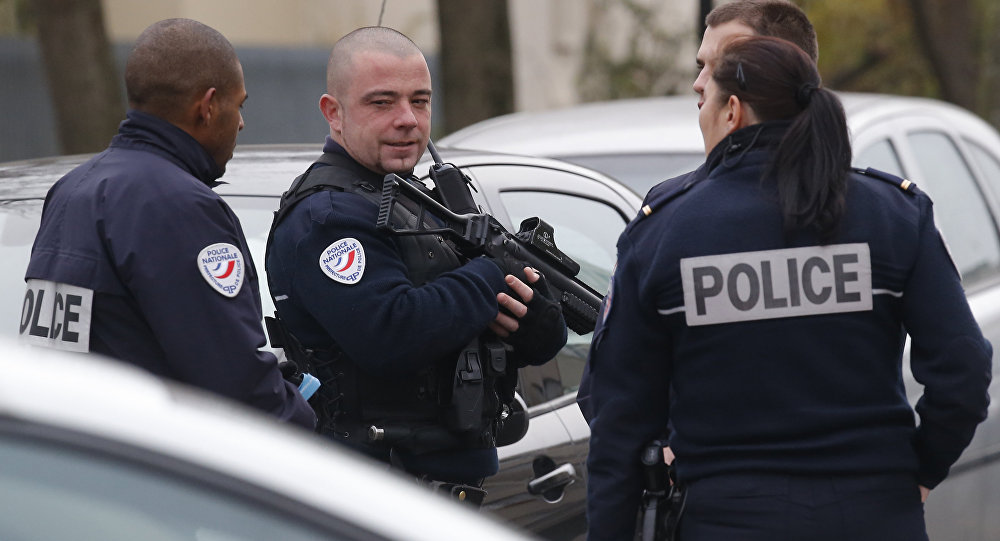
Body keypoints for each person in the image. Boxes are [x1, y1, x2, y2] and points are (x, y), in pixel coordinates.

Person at [582, 35, 992, 541]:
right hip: (874, 514)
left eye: (704, 98)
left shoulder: (667, 232)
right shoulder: (892, 215)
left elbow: (620, 423)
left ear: (732, 110)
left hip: (728, 520)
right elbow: (965, 372)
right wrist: (919, 472)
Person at [264, 26, 567, 494]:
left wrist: (532, 317)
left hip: (441, 486)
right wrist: (491, 274)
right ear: (334, 112)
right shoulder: (328, 217)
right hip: (374, 490)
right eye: (382, 102)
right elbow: (391, 334)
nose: (407, 119)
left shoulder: (419, 201)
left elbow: (540, 337)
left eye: (420, 101)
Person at [21, 19, 316, 430]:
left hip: (70, 454)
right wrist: (308, 430)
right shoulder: (180, 207)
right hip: (154, 471)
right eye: (240, 105)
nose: (242, 122)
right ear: (208, 106)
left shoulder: (71, 191)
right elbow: (236, 384)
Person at [577, 0, 819, 425]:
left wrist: (671, 450)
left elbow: (607, 395)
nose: (698, 83)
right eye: (700, 65)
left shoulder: (671, 220)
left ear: (774, 73)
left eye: (718, 67)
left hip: (716, 484)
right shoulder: (885, 209)